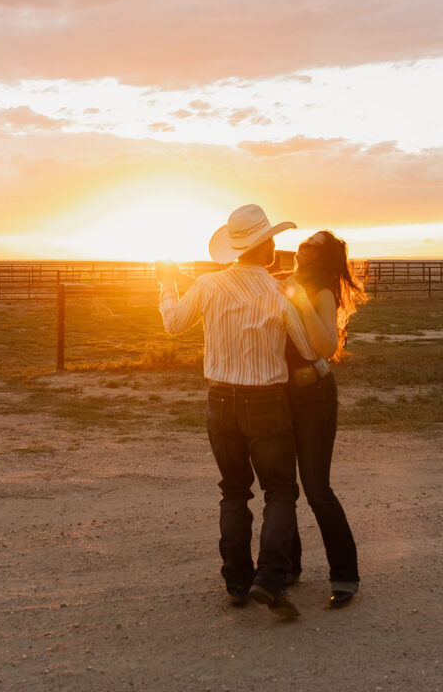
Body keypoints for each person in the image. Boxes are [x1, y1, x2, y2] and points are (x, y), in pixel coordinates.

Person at [156, 204, 331, 619]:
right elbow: (308, 351)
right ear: (266, 243)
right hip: (267, 400)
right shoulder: (277, 291)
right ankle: (269, 578)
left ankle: (236, 580)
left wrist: (166, 285)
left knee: (234, 491)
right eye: (271, 238)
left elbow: (174, 323)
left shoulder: (209, 284)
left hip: (220, 399)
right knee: (280, 491)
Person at [281, 230, 366, 608]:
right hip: (277, 394)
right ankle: (289, 566)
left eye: (313, 245)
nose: (303, 248)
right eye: (303, 242)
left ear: (324, 256)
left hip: (313, 395)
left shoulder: (322, 292)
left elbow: (327, 347)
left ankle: (345, 574)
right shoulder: (284, 282)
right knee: (282, 487)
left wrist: (299, 300)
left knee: (316, 488)